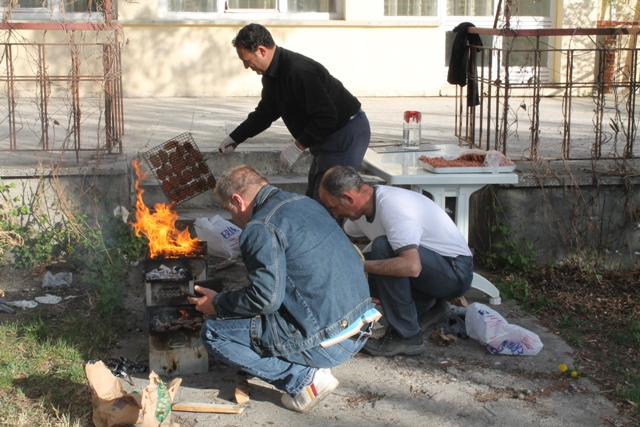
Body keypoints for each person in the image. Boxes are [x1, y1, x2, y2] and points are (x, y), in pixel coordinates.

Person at [189, 165, 374, 413]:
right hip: (361, 326)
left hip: (330, 343)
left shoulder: (260, 226)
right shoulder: (305, 202)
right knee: (251, 307)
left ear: (237, 200)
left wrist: (219, 303)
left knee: (214, 332)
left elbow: (266, 300)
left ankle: (302, 380)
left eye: (229, 210)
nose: (233, 219)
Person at [319, 166, 474, 357]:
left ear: (349, 198)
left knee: (382, 248)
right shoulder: (361, 211)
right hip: (430, 268)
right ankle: (430, 307)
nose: (335, 215)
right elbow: (341, 241)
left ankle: (407, 336)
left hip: (454, 272)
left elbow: (411, 266)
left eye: (334, 207)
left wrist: (358, 266)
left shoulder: (392, 207)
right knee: (355, 272)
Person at [219, 23, 371, 207]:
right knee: (315, 197)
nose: (246, 66)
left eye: (247, 60)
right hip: (325, 137)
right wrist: (235, 137)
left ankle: (335, 234)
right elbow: (265, 113)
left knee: (330, 201)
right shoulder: (272, 76)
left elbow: (326, 115)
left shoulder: (298, 70)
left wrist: (298, 146)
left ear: (261, 50)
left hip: (345, 133)